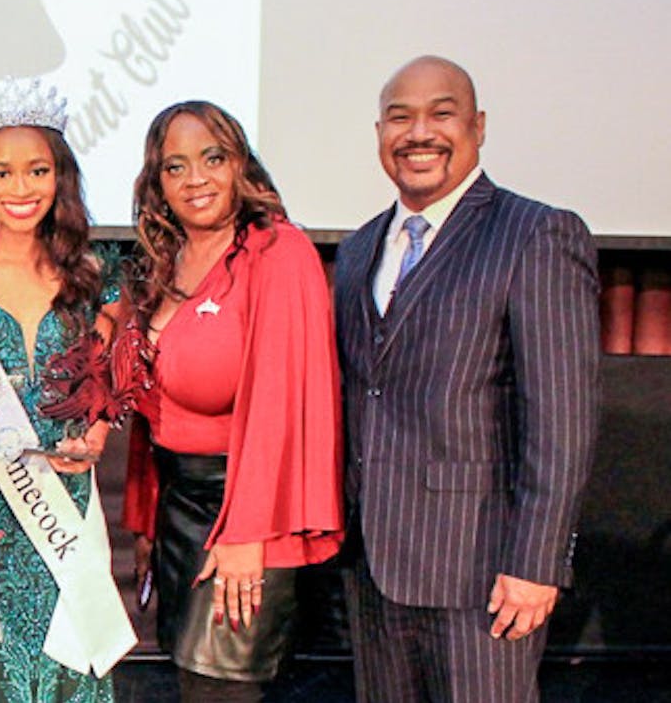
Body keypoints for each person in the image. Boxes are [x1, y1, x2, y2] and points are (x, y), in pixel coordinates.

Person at [335, 56, 599, 701]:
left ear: (478, 127)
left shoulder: (535, 232)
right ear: (378, 133)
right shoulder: (358, 248)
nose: (418, 132)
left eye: (441, 113)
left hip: (483, 574)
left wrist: (536, 565)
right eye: (400, 117)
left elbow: (561, 416)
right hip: (373, 572)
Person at [0, 77, 135, 702]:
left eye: (36, 171)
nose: (20, 189)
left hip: (61, 496)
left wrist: (94, 434)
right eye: (1, 173)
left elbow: (114, 372)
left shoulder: (98, 274)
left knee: (70, 651)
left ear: (59, 178)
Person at [118, 101, 344, 701]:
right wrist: (147, 519)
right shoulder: (161, 261)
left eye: (213, 158)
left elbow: (281, 404)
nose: (196, 178)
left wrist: (249, 532)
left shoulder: (279, 252)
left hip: (245, 512)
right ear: (157, 183)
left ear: (241, 163)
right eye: (176, 166)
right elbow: (153, 405)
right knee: (194, 683)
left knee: (222, 689)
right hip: (179, 511)